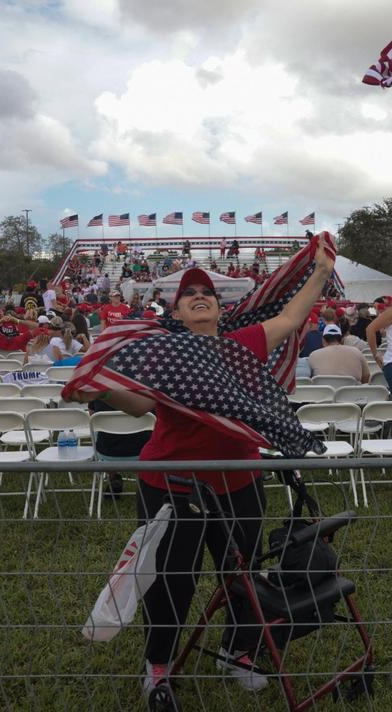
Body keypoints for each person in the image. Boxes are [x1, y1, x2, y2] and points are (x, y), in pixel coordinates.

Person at [68, 243, 335, 695]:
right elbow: (138, 406)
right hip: (170, 485)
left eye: (207, 293)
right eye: (189, 293)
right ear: (177, 310)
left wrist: (321, 271)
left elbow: (290, 319)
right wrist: (99, 392)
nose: (199, 296)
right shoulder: (165, 353)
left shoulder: (241, 345)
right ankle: (158, 664)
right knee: (170, 581)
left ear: (218, 308)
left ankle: (239, 650)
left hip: (239, 483)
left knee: (242, 576)